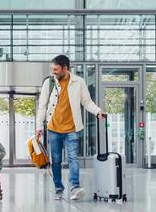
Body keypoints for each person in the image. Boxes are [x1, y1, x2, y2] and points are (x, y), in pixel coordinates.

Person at [36, 55, 106, 201]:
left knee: (73, 158)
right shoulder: (49, 83)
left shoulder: (78, 82)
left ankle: (75, 187)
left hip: (72, 128)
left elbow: (86, 102)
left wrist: (98, 111)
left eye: (56, 69)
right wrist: (39, 127)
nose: (53, 72)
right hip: (53, 128)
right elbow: (42, 106)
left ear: (65, 68)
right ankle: (58, 188)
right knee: (56, 160)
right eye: (52, 69)